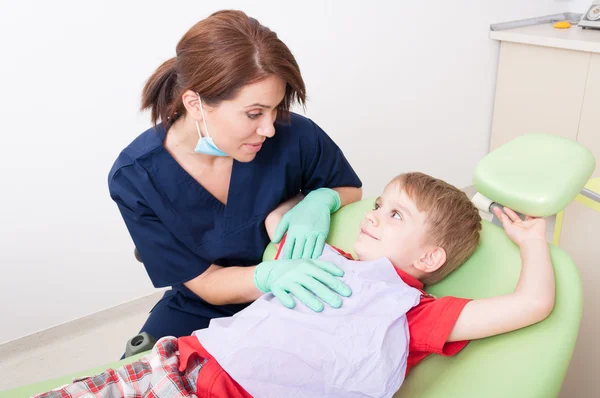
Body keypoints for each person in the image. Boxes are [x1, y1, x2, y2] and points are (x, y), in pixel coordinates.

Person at [36, 172, 554, 397]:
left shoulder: (414, 312)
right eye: (378, 205)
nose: (373, 216)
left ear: (429, 256)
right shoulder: (326, 255)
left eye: (395, 214)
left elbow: (531, 304)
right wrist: (316, 202)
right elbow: (277, 223)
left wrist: (534, 244)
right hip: (181, 361)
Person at [107, 9, 363, 342]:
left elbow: (348, 188)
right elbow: (206, 283)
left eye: (276, 108)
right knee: (148, 372)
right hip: (206, 304)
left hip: (306, 283)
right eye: (254, 113)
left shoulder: (294, 134)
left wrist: (319, 199)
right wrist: (269, 276)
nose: (269, 128)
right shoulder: (136, 178)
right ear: (195, 104)